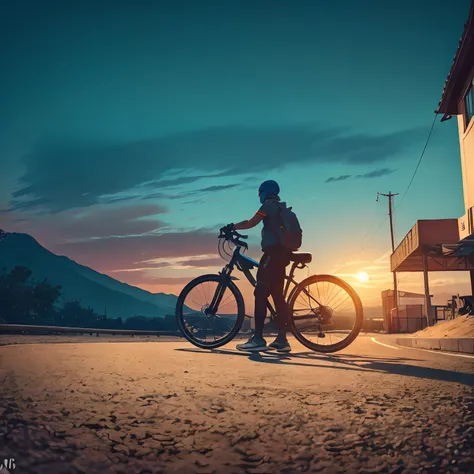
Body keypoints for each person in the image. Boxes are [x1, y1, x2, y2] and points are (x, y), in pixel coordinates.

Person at [221, 180, 292, 353]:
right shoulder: (281, 208)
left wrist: (232, 227)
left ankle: (258, 339)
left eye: (259, 192)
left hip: (271, 255)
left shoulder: (268, 206)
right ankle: (282, 340)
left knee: (260, 292)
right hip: (282, 256)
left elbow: (251, 222)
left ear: (264, 192)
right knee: (277, 295)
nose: (259, 196)